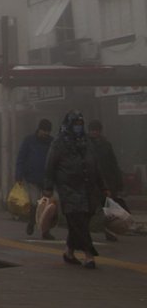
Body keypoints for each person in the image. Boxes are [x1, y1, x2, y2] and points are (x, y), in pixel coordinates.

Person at [43, 109, 110, 269]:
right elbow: (50, 166)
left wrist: (103, 186)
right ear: (69, 124)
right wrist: (48, 187)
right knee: (78, 222)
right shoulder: (59, 143)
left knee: (81, 223)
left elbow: (96, 165)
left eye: (81, 124)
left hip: (88, 189)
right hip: (69, 189)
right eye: (76, 124)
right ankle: (89, 255)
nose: (79, 127)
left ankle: (69, 252)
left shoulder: (86, 142)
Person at [15, 118, 54, 239]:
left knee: (47, 207)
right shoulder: (29, 141)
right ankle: (31, 222)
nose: (46, 134)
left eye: (48, 131)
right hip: (32, 178)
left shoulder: (52, 142)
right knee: (34, 202)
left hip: (47, 179)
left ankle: (45, 231)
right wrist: (19, 175)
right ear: (39, 129)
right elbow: (21, 158)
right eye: (44, 131)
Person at [88, 118, 125, 242]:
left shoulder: (106, 144)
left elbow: (113, 163)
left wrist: (118, 182)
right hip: (92, 182)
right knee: (93, 208)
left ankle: (108, 231)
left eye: (96, 130)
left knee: (108, 209)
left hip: (107, 181)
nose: (94, 133)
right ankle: (90, 229)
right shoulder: (84, 144)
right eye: (92, 130)